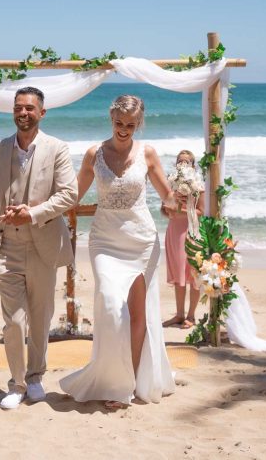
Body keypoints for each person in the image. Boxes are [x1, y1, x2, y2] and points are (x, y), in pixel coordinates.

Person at [59, 95, 176, 408]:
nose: (124, 129)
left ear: (139, 124)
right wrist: (40, 209)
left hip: (142, 241)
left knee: (138, 314)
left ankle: (129, 385)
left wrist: (182, 197)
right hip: (105, 242)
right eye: (118, 123)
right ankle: (113, 379)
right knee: (111, 308)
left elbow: (167, 196)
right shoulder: (94, 154)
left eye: (130, 125)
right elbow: (72, 195)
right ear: (111, 119)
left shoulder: (147, 153)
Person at [0, 86, 78, 410]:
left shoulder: (57, 148)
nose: (23, 113)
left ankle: (36, 376)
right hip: (6, 248)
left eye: (29, 108)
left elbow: (69, 194)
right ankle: (17, 383)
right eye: (18, 107)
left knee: (40, 319)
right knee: (14, 321)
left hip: (43, 246)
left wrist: (33, 213)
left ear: (42, 112)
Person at [162, 150, 204, 330]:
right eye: (180, 161)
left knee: (193, 274)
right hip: (174, 231)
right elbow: (163, 209)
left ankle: (191, 316)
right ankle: (179, 314)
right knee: (179, 274)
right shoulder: (171, 184)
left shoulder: (198, 185)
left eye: (187, 162)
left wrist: (181, 210)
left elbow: (201, 212)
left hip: (191, 230)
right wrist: (169, 209)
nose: (183, 164)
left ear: (193, 165)